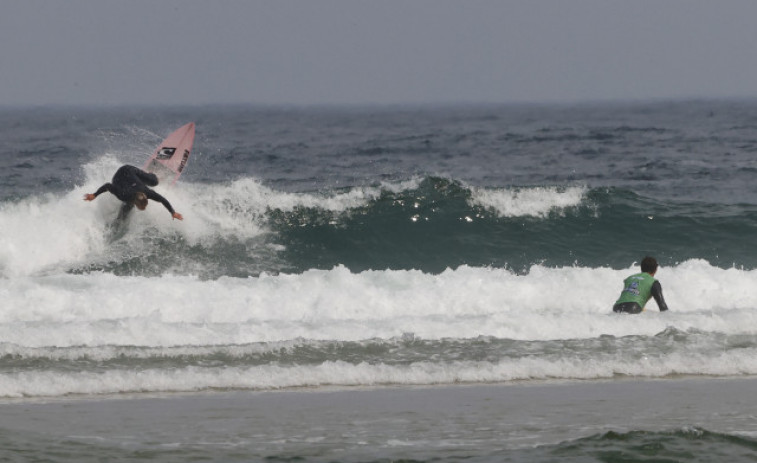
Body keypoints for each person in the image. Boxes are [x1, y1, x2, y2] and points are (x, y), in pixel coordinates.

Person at [83, 165, 183, 221]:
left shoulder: (147, 193)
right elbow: (108, 186)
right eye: (142, 207)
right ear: (136, 202)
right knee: (125, 213)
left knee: (155, 182)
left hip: (131, 173)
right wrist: (94, 195)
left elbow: (162, 199)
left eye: (144, 206)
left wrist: (172, 212)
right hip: (120, 175)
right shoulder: (123, 195)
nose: (143, 209)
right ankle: (118, 223)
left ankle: (151, 174)